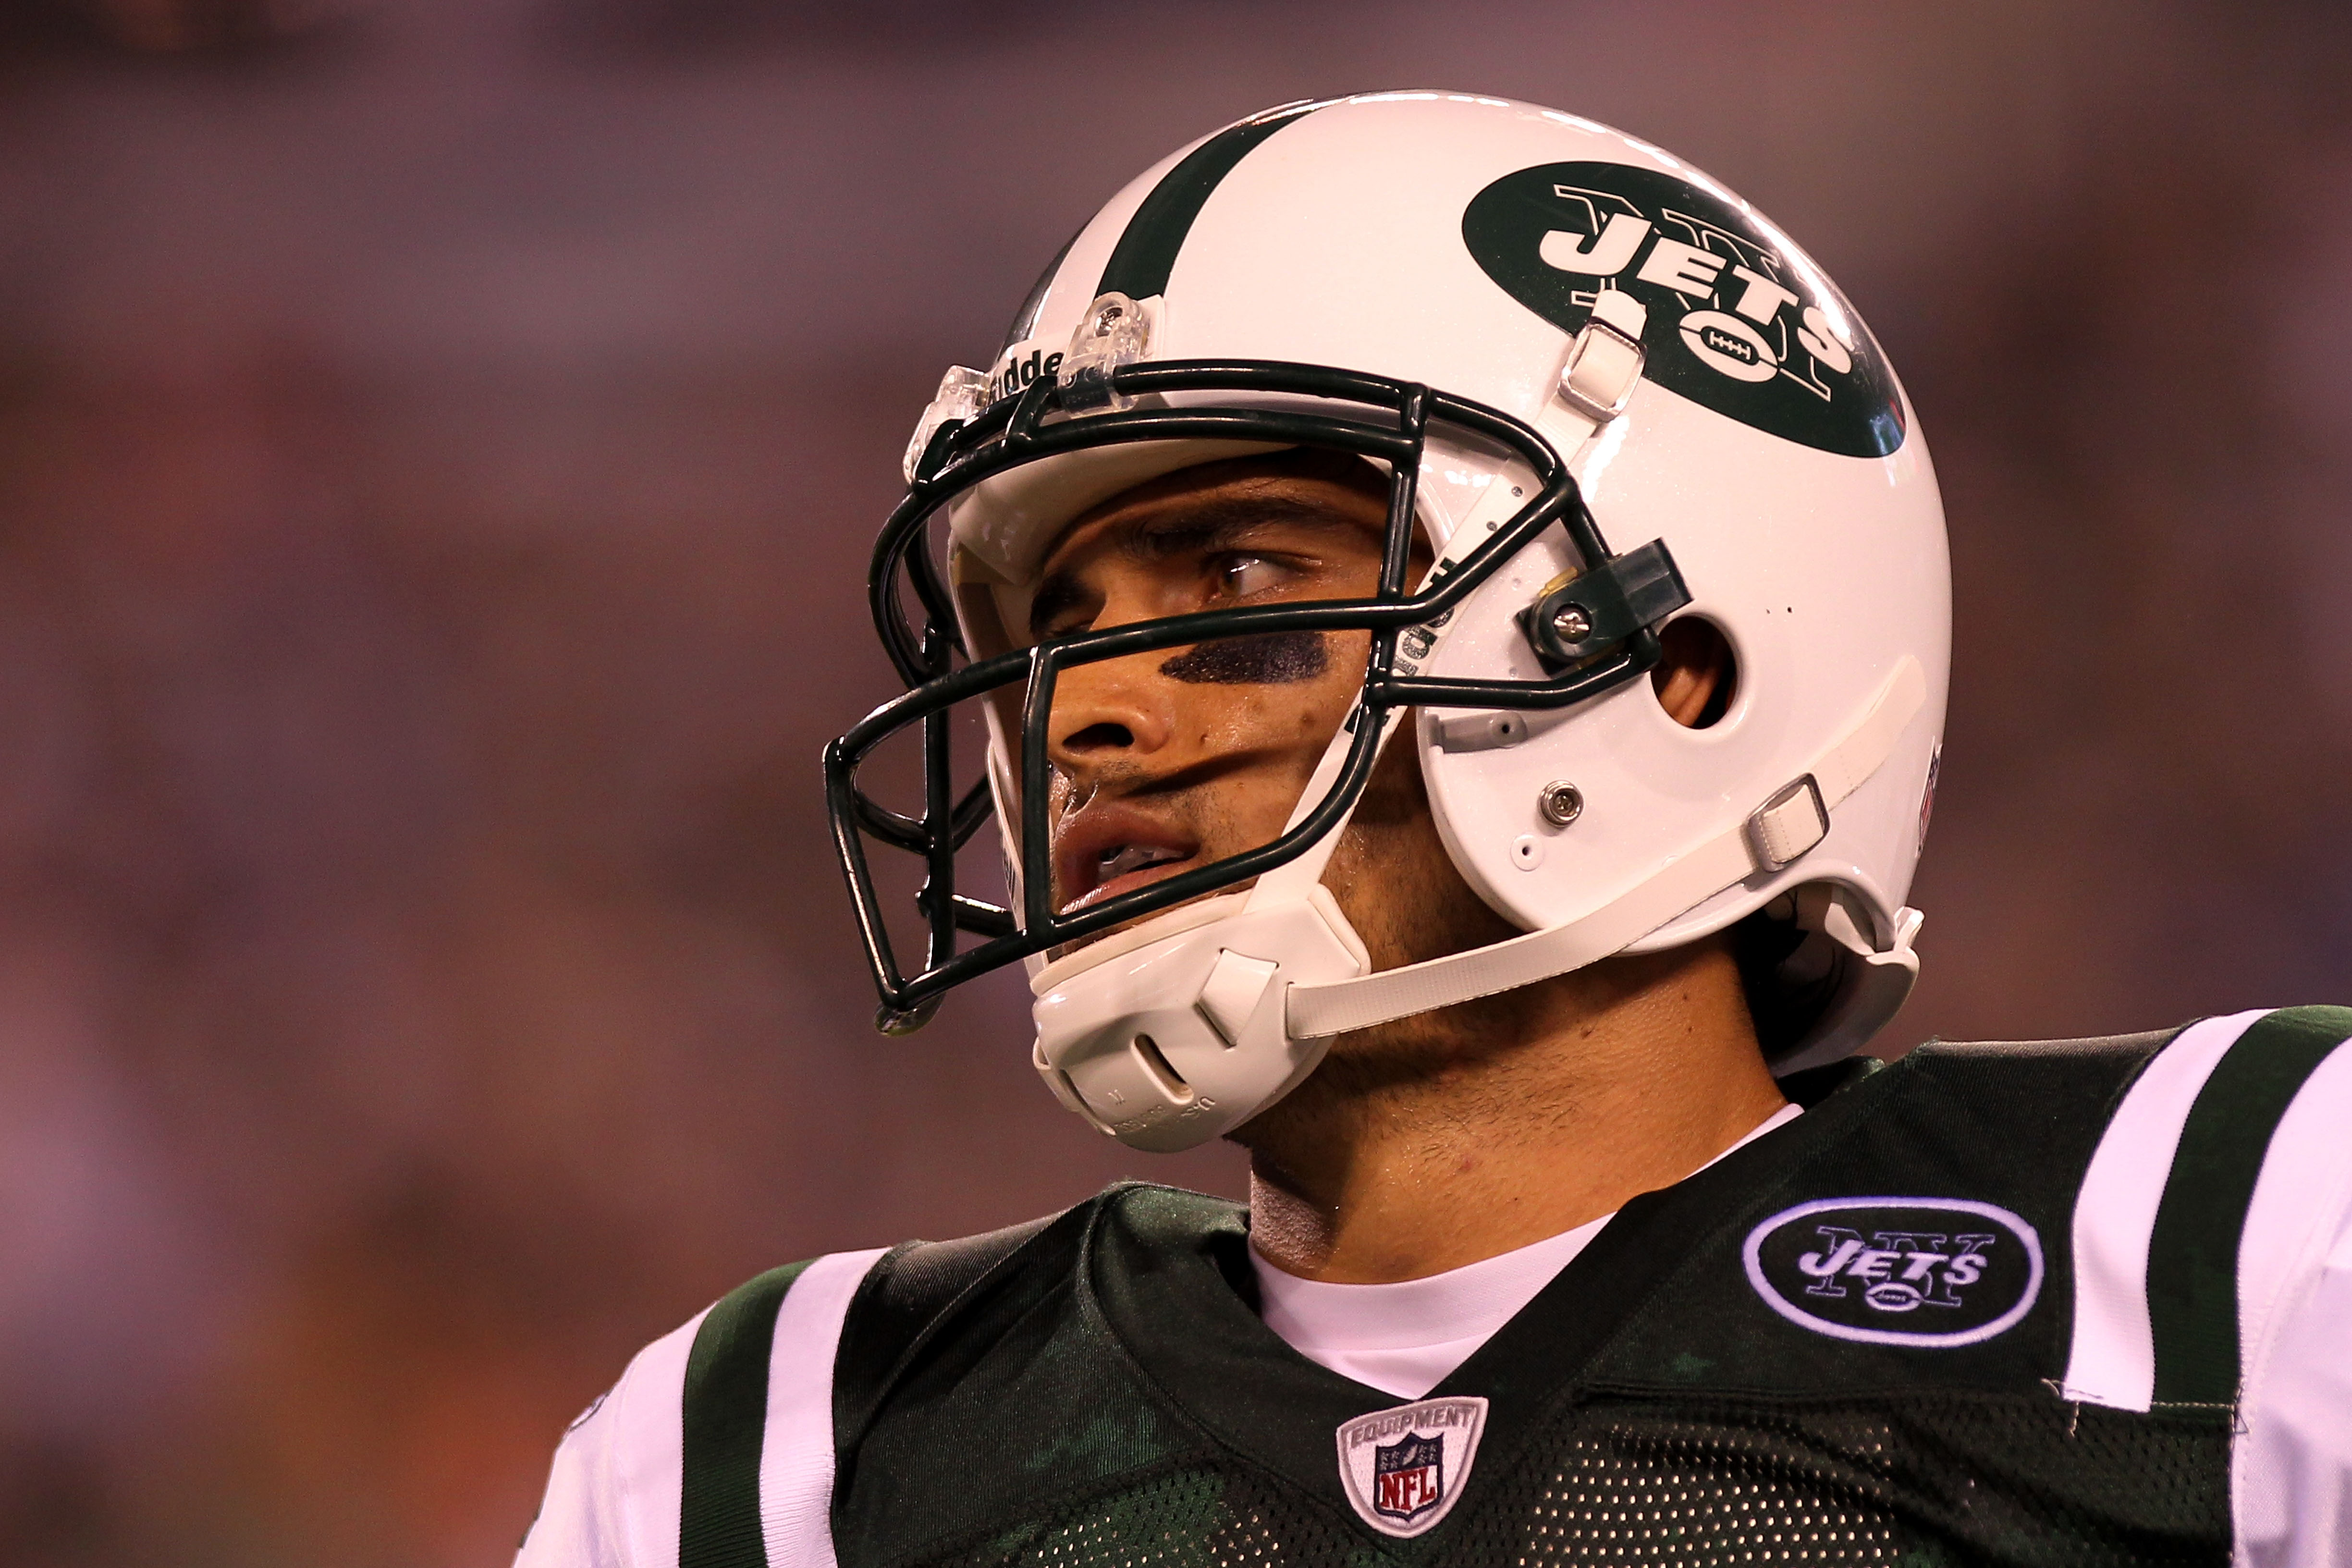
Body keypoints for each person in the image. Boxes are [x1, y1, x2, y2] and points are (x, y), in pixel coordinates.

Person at [517, 92, 2352, 1568]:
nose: (1084, 713)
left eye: (1234, 577)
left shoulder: (2241, 1241)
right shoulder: (788, 1457)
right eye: (1058, 630)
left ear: (1685, 664)